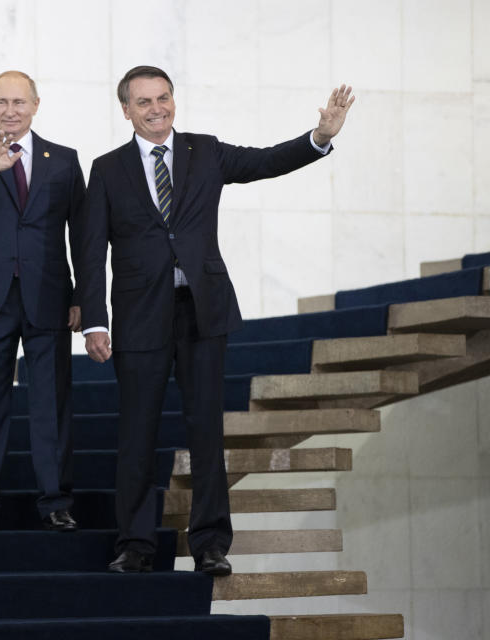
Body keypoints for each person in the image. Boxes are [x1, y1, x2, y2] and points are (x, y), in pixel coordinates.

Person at [77, 66, 354, 575]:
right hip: (139, 316)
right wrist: (95, 320)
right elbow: (91, 251)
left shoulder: (203, 151)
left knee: (206, 432)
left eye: (163, 98)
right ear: (126, 111)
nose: (156, 108)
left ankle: (209, 544)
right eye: (144, 102)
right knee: (136, 435)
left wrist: (319, 138)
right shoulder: (107, 169)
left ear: (173, 101)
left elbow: (267, 161)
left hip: (204, 311)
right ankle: (136, 544)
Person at [0, 71, 85, 533]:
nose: (10, 110)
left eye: (19, 102)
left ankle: (56, 501)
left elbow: (82, 235)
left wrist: (84, 295)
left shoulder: (63, 160)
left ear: (36, 105)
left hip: (47, 294)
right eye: (1, 102)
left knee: (50, 402)